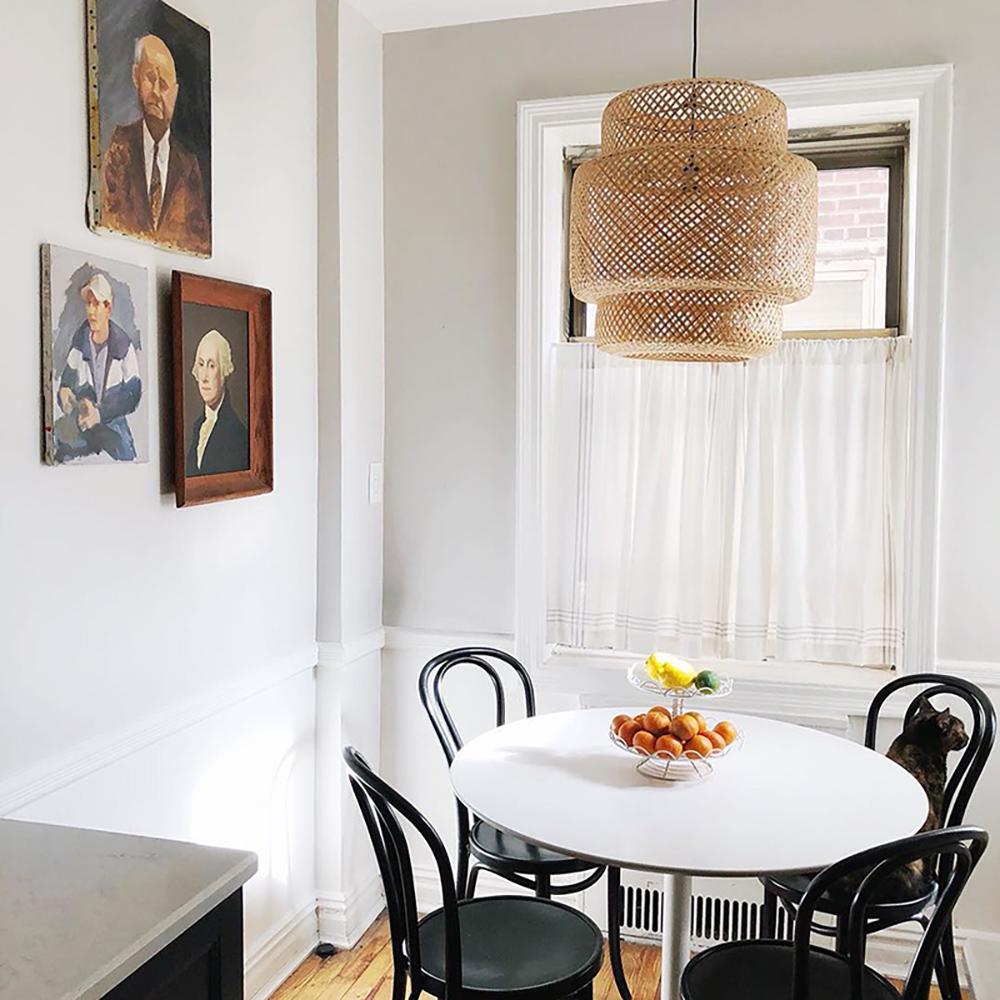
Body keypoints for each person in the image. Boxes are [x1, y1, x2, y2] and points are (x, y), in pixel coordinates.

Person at [101, 34, 210, 255]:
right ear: (136, 77)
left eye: (164, 85)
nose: (156, 93)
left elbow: (200, 241)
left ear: (175, 93)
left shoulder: (188, 165)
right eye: (150, 78)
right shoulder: (119, 145)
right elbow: (109, 214)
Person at [55, 273, 142, 462]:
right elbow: (67, 380)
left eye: (96, 304)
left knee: (126, 457)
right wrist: (65, 394)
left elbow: (133, 394)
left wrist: (101, 414)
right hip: (83, 424)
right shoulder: (80, 341)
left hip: (113, 425)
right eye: (88, 304)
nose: (91, 311)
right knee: (57, 446)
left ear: (108, 308)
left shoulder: (123, 345)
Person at [186, 329, 249, 476]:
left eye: (212, 366)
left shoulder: (237, 434)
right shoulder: (198, 427)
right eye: (201, 364)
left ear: (224, 372)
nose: (204, 377)